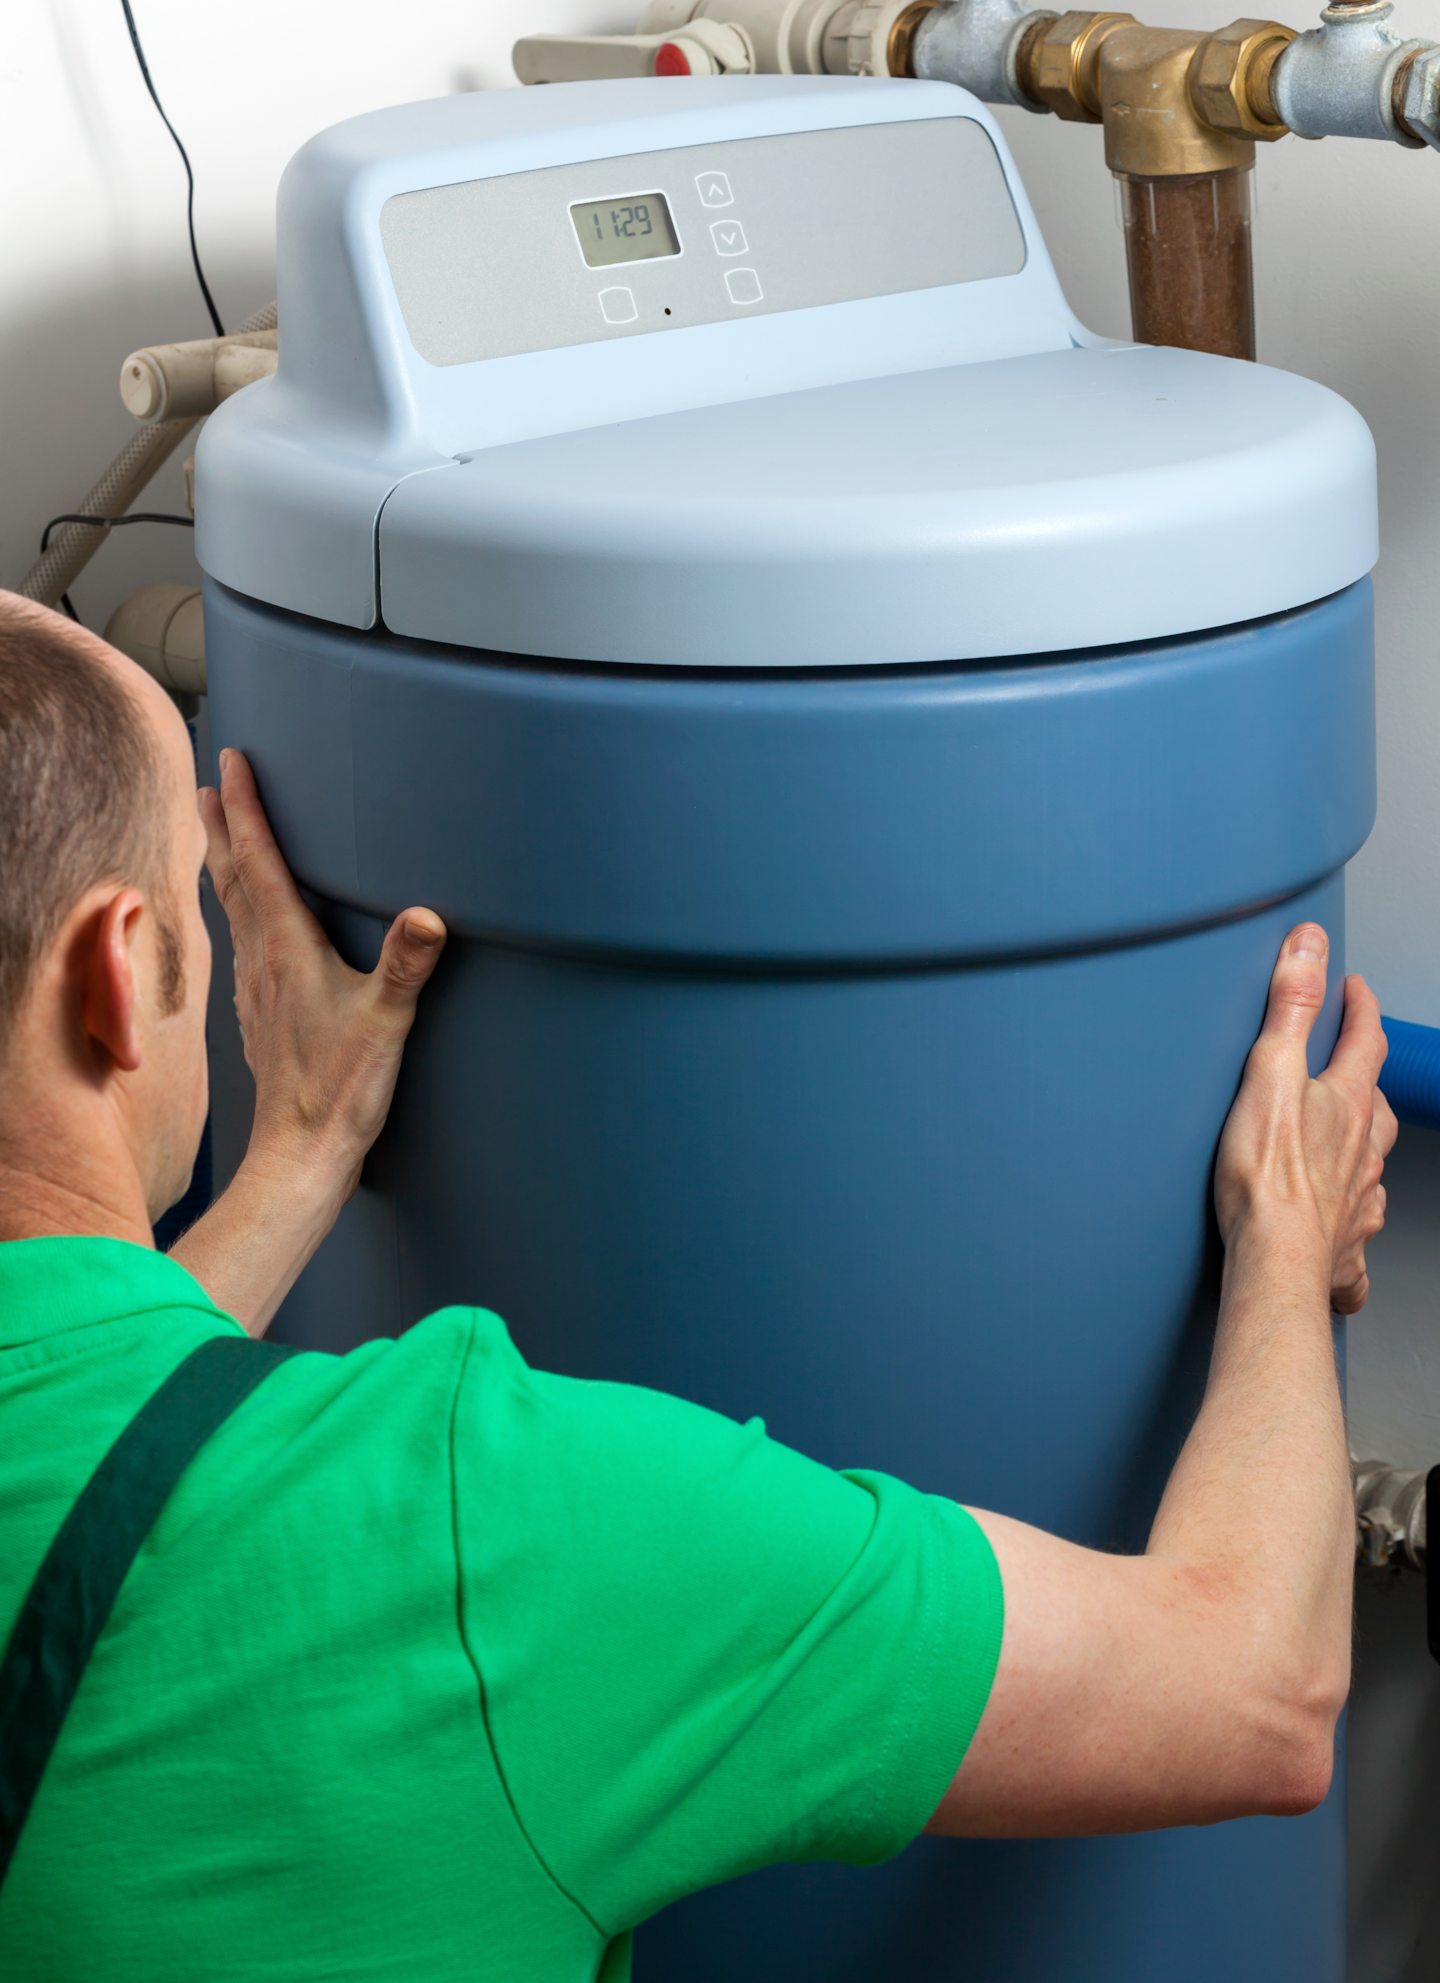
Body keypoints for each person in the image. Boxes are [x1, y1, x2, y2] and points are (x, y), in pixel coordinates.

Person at [0, 589, 1395, 1977]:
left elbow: (104, 1454)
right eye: (194, 887)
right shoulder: (479, 1536)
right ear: (119, 977)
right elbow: (1252, 1699)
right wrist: (1285, 1227)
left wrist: (294, 1165)